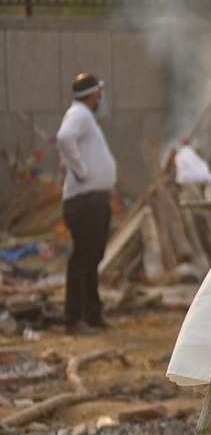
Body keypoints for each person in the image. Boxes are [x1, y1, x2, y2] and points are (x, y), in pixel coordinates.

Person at [57, 73, 117, 336]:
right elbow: (63, 138)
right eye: (99, 94)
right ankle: (73, 318)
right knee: (82, 259)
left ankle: (92, 314)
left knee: (92, 259)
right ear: (93, 95)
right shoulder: (79, 114)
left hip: (94, 200)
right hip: (84, 202)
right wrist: (81, 171)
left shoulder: (84, 116)